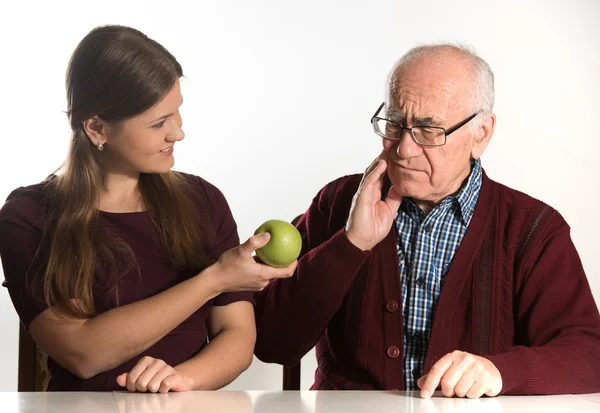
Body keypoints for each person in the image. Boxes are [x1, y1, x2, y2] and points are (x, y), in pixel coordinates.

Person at [254, 44, 600, 398]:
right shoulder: (339, 202)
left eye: (429, 131)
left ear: (480, 134)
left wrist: (500, 371)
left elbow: (589, 355)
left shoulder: (532, 229)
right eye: (394, 124)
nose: (404, 149)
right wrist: (350, 245)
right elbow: (272, 342)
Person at [0, 25, 295, 392]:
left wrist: (183, 379)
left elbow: (236, 335)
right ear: (96, 128)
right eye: (158, 123)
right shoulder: (28, 217)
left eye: (177, 113)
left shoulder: (203, 201)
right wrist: (214, 279)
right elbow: (82, 353)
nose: (178, 133)